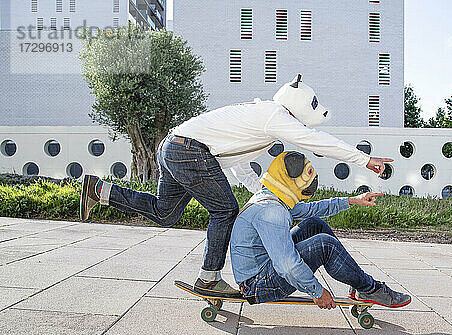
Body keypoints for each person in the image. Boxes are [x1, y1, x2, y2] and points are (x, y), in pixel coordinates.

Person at [79, 74, 393, 296]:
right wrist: (363, 159)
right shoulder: (275, 116)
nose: (298, 129)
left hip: (173, 146)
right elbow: (315, 141)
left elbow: (236, 162)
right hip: (188, 150)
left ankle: (100, 191)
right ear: (297, 111)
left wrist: (263, 194)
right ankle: (209, 278)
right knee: (225, 210)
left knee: (165, 213)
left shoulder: (258, 117)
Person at [230, 151, 412, 309]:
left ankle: (357, 283)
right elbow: (286, 266)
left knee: (314, 224)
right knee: (325, 245)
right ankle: (370, 289)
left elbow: (312, 209)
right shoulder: (272, 212)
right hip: (258, 285)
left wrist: (353, 200)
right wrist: (316, 291)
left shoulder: (272, 197)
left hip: (262, 269)